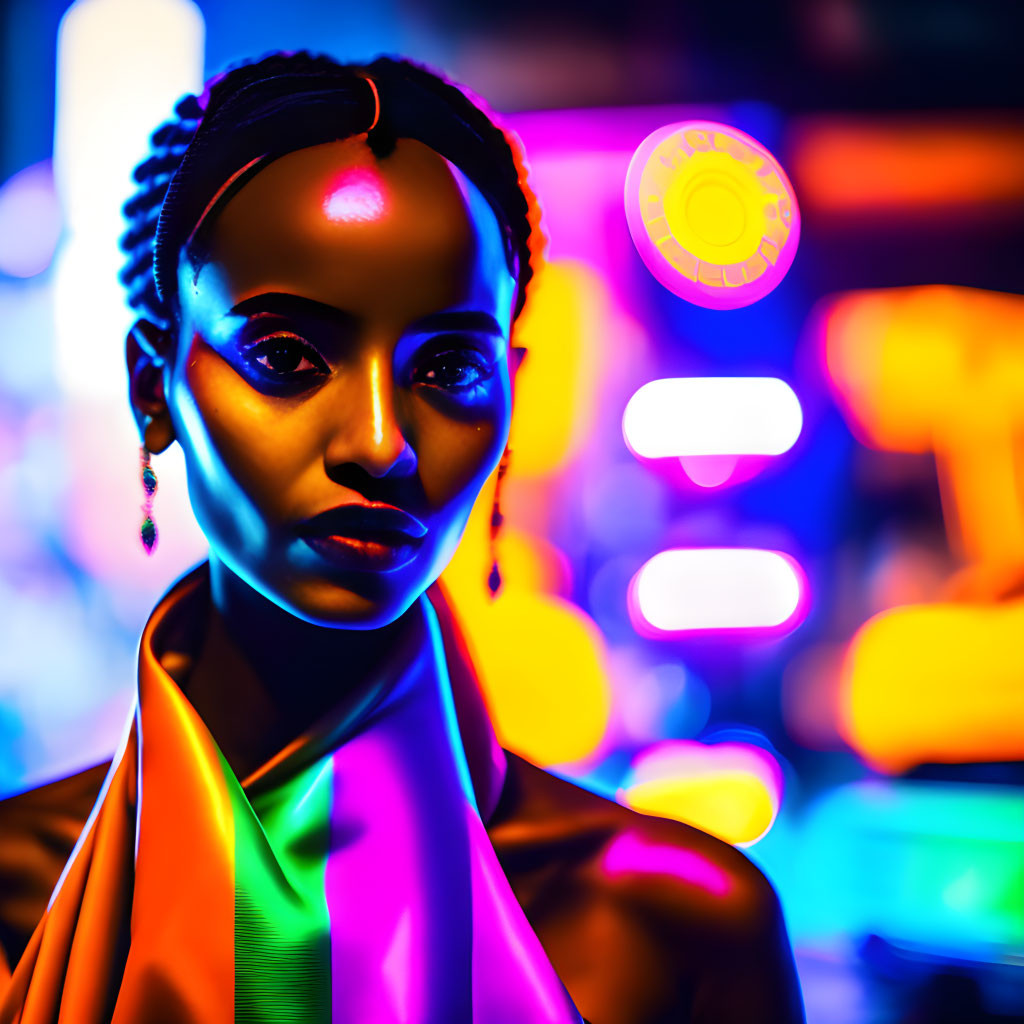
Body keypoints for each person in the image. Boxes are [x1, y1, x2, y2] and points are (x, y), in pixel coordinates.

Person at [0, 52, 805, 1023]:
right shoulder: (16, 893)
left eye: (449, 367)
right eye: (288, 356)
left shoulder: (674, 920)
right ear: (153, 388)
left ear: (512, 387)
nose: (380, 443)